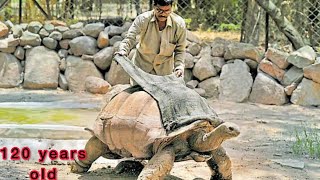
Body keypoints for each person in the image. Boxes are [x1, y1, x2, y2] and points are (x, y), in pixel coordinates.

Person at [116, 0, 187, 79]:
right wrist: (123, 50)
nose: (163, 14)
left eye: (167, 11)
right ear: (154, 6)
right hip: (141, 69)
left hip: (164, 72)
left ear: (171, 8)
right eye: (159, 10)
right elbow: (130, 38)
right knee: (138, 91)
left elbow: (180, 49)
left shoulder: (179, 24)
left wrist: (179, 67)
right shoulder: (143, 19)